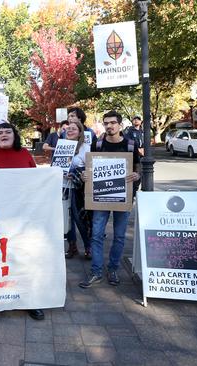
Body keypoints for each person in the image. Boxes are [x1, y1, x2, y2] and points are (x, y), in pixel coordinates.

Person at [0, 123, 43, 321]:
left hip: (22, 216)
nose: (3, 135)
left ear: (15, 135)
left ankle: (31, 301)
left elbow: (36, 181)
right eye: (0, 133)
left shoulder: (24, 155)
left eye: (7, 132)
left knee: (25, 257)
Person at [79, 110, 141, 288]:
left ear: (120, 125)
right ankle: (96, 271)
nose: (109, 126)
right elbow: (89, 168)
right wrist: (85, 175)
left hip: (123, 196)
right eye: (106, 123)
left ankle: (113, 268)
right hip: (100, 197)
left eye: (113, 123)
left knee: (120, 236)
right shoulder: (98, 144)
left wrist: (136, 175)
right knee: (97, 235)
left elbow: (137, 167)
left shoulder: (130, 144)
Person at [63, 120, 92, 260]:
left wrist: (75, 173)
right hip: (63, 188)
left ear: (80, 132)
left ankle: (88, 246)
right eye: (68, 128)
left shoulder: (86, 147)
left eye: (73, 129)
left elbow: (90, 168)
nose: (70, 131)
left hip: (78, 189)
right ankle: (72, 246)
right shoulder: (61, 146)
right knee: (67, 219)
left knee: (80, 218)